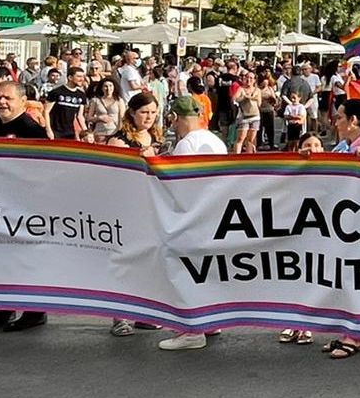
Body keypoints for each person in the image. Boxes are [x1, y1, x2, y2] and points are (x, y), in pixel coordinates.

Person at [0, 81, 53, 332]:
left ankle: (34, 311)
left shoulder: (31, 129)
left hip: (25, 207)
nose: (2, 102)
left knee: (26, 260)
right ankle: (4, 308)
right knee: (0, 259)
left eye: (7, 98)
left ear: (22, 101)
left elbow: (43, 168)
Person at [158, 95, 227, 351]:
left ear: (175, 117)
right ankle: (209, 321)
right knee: (206, 272)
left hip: (193, 218)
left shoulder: (187, 144)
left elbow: (180, 188)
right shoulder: (215, 140)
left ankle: (190, 330)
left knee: (186, 272)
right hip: (213, 216)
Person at [104, 93, 166, 338]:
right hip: (124, 206)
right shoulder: (119, 141)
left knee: (146, 262)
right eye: (143, 112)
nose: (149, 117)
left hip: (149, 205)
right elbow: (113, 175)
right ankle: (119, 317)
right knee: (123, 262)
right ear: (131, 112)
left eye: (152, 112)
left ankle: (143, 313)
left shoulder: (156, 136)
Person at [41, 67, 88, 140]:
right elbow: (46, 111)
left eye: (83, 77)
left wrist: (86, 131)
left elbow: (80, 116)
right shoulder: (56, 92)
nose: (82, 79)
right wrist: (48, 130)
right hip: (55, 131)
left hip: (70, 132)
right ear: (70, 77)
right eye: (79, 76)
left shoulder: (81, 95)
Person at [231, 71, 262, 154]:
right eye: (247, 77)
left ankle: (249, 156)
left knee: (251, 139)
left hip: (255, 116)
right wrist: (243, 97)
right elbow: (234, 99)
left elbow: (259, 103)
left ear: (254, 80)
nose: (249, 80)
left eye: (251, 78)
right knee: (241, 138)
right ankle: (236, 157)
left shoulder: (257, 90)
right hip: (244, 117)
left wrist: (252, 97)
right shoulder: (241, 89)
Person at [85, 78, 124, 143]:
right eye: (105, 86)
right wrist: (99, 118)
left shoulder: (119, 101)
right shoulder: (95, 100)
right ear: (101, 88)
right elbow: (88, 118)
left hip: (114, 133)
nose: (108, 88)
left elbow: (122, 118)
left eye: (110, 86)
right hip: (100, 132)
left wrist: (120, 132)